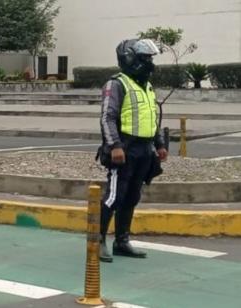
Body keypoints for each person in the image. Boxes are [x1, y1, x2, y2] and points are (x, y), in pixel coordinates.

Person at [98, 39, 168, 262]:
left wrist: (159, 144)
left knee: (132, 196)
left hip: (144, 150)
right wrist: (115, 146)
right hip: (124, 149)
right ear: (130, 59)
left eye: (150, 59)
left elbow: (151, 118)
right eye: (145, 59)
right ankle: (97, 240)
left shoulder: (146, 86)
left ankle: (122, 241)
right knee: (114, 196)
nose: (150, 64)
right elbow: (107, 117)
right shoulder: (117, 84)